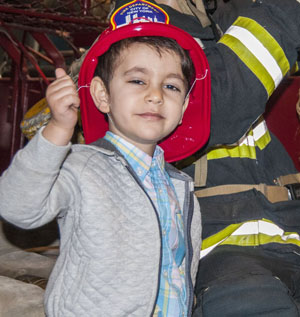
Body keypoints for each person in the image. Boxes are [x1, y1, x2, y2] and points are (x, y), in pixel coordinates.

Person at [0, 2, 212, 316]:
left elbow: (180, 269)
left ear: (182, 109)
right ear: (102, 95)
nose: (155, 95)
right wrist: (58, 130)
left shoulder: (180, 185)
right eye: (138, 80)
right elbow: (18, 207)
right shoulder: (81, 166)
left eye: (171, 86)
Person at [110, 0, 300, 315]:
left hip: (285, 231)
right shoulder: (140, 36)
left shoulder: (221, 25)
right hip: (222, 251)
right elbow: (218, 107)